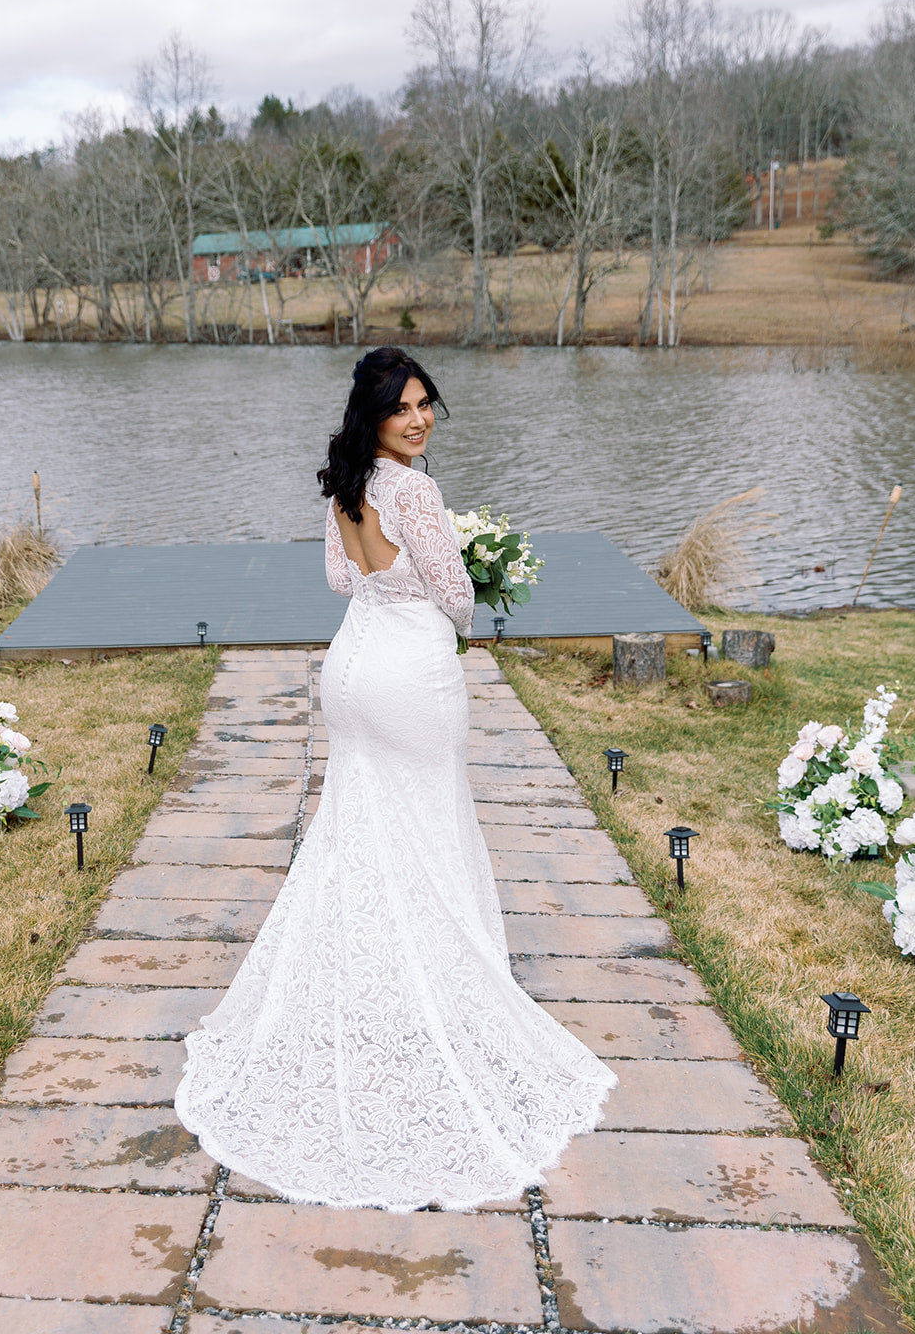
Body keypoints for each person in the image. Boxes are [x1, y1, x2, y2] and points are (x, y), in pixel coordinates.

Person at [175, 347, 616, 1211]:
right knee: (432, 825)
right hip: (410, 671)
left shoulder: (341, 486)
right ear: (372, 411)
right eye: (403, 406)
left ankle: (365, 986)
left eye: (425, 405)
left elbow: (344, 578)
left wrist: (399, 580)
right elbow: (453, 595)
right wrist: (458, 581)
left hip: (348, 674)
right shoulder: (414, 490)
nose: (417, 419)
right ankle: (437, 995)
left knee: (359, 831)